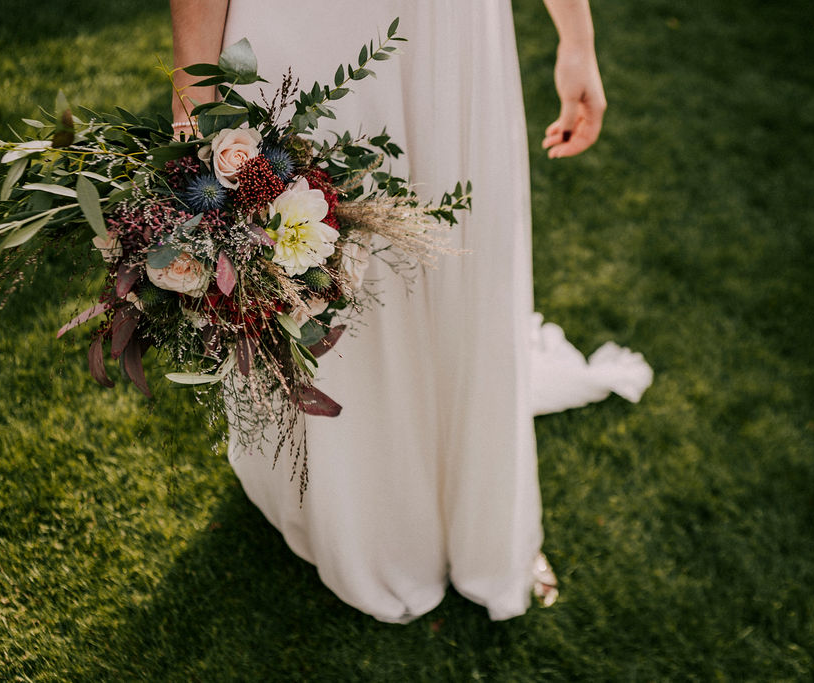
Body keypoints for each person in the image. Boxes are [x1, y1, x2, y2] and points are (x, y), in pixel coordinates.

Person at [168, 0, 652, 623]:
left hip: (455, 37)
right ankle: (352, 508)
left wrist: (577, 39)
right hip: (311, 29)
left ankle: (482, 516)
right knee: (324, 268)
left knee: (463, 264)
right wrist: (192, 90)